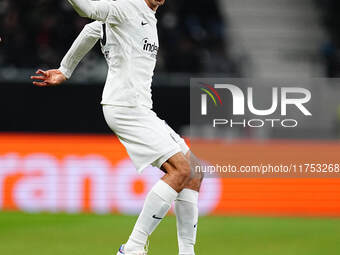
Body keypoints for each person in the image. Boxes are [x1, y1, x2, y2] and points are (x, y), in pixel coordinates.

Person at [30, 0, 204, 254]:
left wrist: (65, 70)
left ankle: (186, 251)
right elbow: (88, 11)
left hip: (141, 108)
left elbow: (92, 30)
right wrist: (65, 70)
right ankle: (132, 248)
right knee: (181, 169)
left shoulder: (147, 15)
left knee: (195, 171)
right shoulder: (126, 7)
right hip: (124, 107)